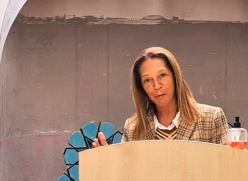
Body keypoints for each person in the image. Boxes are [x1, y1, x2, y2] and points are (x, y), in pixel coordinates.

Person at [92, 46, 229, 147]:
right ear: (141, 87)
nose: (156, 86)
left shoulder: (211, 118)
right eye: (147, 80)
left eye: (162, 75)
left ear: (175, 76)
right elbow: (128, 179)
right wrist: (109, 164)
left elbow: (228, 173)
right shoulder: (133, 128)